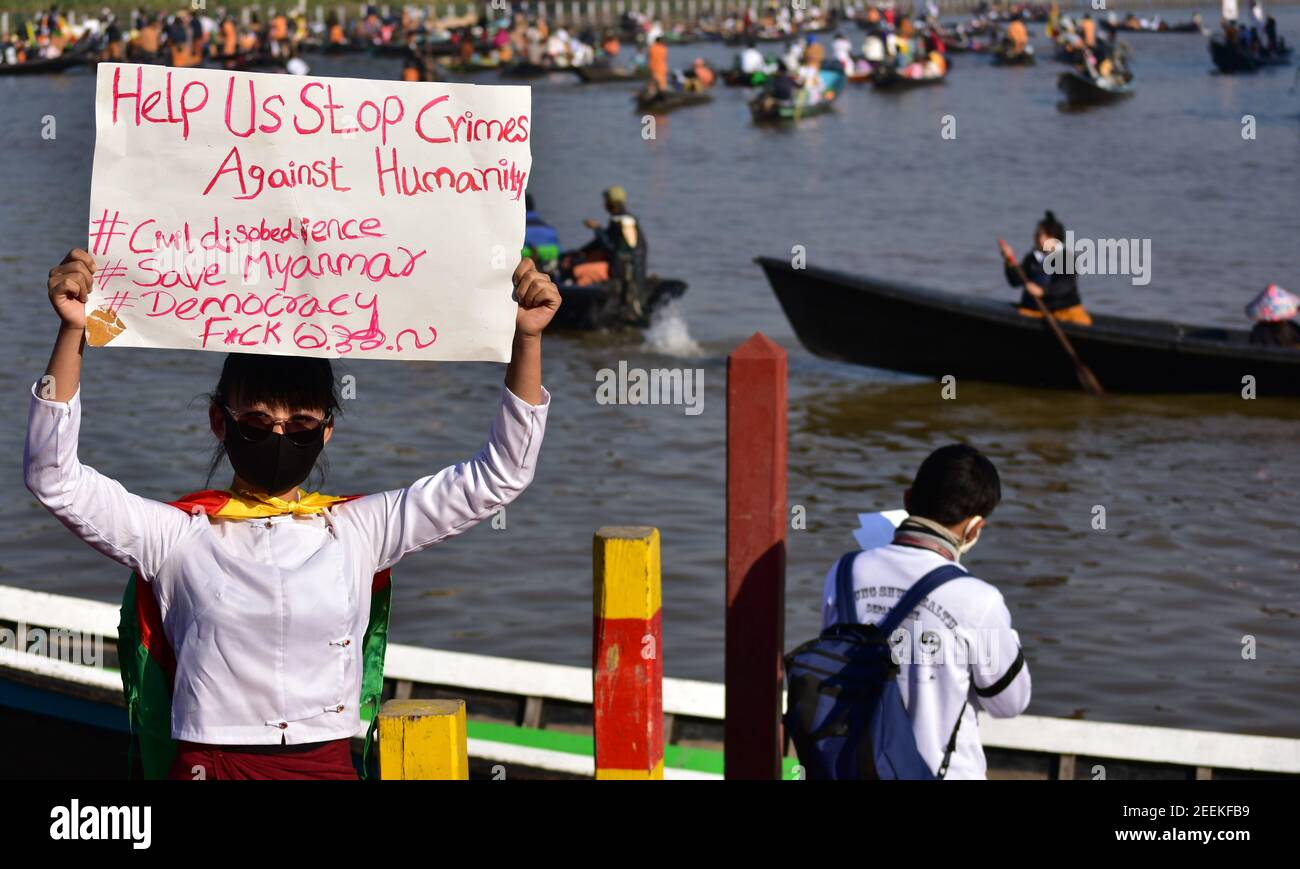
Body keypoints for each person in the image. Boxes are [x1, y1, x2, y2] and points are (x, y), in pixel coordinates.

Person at [27, 249, 560, 779]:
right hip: (211, 765)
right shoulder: (174, 537)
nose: (280, 436)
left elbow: (499, 475)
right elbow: (53, 476)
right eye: (258, 422)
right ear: (220, 422)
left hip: (325, 765)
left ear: (327, 431)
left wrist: (527, 339)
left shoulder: (360, 530)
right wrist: (74, 329)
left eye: (302, 425)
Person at [820, 445, 1031, 780]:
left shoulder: (843, 572)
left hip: (853, 771)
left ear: (908, 500)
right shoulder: (979, 600)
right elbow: (1009, 704)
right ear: (975, 529)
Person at [1000, 210, 1093, 326]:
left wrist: (1043, 291)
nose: (1036, 238)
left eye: (1039, 234)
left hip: (1064, 312)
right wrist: (1009, 260)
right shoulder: (1032, 258)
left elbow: (1066, 284)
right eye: (1036, 234)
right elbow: (1015, 281)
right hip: (1035, 311)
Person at [523, 193, 562, 272]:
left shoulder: (517, 230)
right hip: (549, 267)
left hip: (526, 266)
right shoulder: (549, 229)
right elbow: (559, 251)